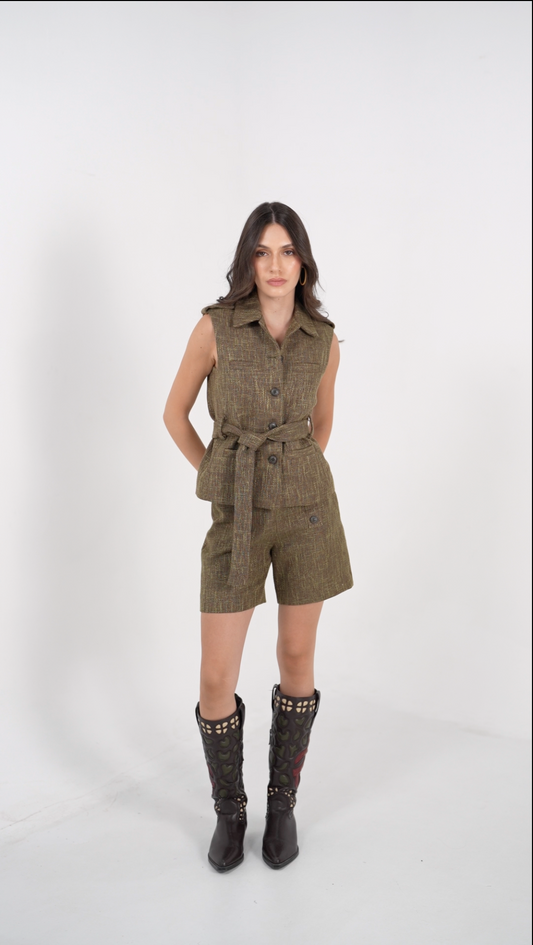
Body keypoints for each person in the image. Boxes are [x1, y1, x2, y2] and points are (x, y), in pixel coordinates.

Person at [163, 202, 353, 872]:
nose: (275, 265)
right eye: (263, 252)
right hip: (235, 514)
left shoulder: (324, 339)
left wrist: (291, 475)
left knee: (296, 657)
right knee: (216, 674)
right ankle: (229, 809)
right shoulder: (214, 327)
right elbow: (175, 414)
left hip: (308, 515)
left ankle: (282, 804)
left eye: (287, 251)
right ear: (248, 260)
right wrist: (220, 477)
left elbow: (320, 427)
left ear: (303, 262)